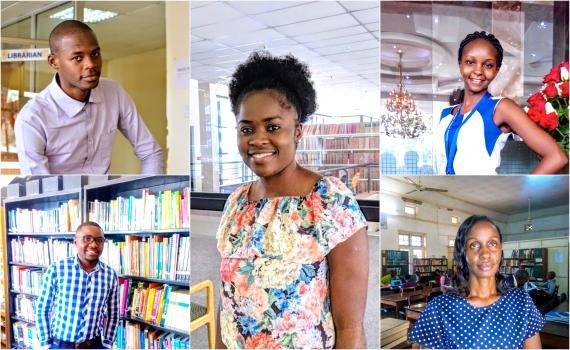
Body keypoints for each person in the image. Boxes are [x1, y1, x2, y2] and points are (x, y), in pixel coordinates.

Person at [215, 52, 369, 349]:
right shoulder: (235, 203)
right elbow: (228, 307)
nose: (258, 140)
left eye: (272, 127)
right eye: (246, 129)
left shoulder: (329, 202)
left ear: (297, 132)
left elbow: (350, 329)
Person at [14, 20, 163, 174]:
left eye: (95, 54)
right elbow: (38, 189)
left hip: (104, 196)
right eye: (78, 58)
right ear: (54, 62)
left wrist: (148, 196)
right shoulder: (32, 118)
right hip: (58, 197)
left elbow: (151, 153)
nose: (91, 64)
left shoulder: (113, 92)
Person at [435, 31, 567, 175]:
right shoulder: (446, 114)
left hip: (483, 196)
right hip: (443, 195)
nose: (478, 71)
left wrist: (520, 194)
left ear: (496, 70)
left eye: (488, 65)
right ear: (460, 64)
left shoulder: (501, 108)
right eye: (470, 62)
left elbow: (557, 157)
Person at [409, 215, 544, 349]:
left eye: (492, 243)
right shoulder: (440, 308)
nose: (485, 253)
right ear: (463, 253)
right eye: (474, 245)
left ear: (500, 252)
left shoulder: (521, 301)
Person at [35, 221, 119, 349]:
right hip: (61, 345)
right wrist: (46, 344)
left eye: (99, 240)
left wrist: (107, 343)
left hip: (94, 345)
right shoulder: (57, 269)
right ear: (75, 243)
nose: (94, 244)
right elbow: (42, 309)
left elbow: (114, 313)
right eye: (87, 239)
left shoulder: (110, 275)